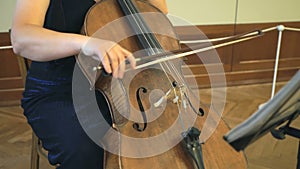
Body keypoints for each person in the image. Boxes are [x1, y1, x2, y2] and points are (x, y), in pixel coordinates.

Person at [10, 0, 168, 168]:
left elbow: (158, 16)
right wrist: (85, 43)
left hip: (127, 84)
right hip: (59, 89)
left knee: (170, 135)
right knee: (89, 148)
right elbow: (21, 38)